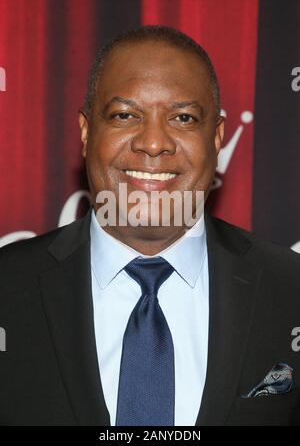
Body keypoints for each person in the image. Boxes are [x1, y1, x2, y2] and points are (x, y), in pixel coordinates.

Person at [1, 25, 300, 427]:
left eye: (183, 117)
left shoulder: (290, 289)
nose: (154, 142)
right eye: (125, 115)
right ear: (87, 132)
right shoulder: (7, 285)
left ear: (217, 137)